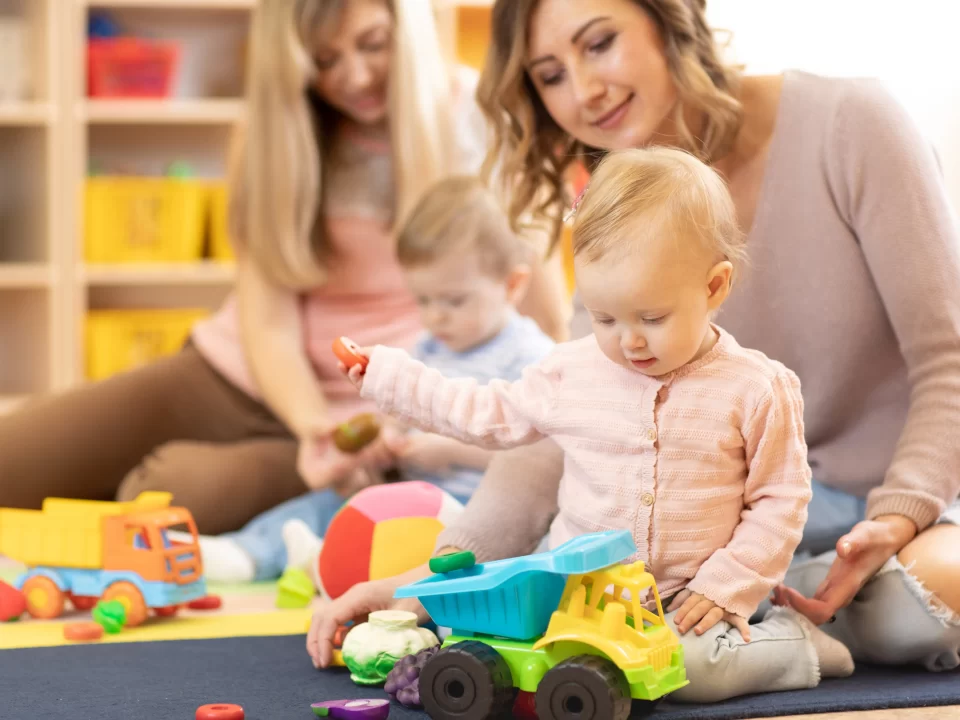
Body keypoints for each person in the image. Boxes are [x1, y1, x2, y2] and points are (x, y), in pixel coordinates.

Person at [307, 0, 960, 694]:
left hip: (881, 515)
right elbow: (548, 441)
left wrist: (896, 518)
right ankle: (738, 635)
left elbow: (948, 361)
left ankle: (757, 632)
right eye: (550, 75)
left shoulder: (849, 122)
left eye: (600, 43)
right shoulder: (616, 216)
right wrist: (434, 588)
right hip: (698, 548)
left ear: (670, 17)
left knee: (931, 589)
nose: (584, 92)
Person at [0, 0, 569, 535]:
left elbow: (538, 294)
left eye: (373, 45)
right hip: (244, 379)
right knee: (15, 458)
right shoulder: (270, 133)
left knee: (161, 497)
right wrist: (310, 423)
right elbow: (267, 321)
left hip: (376, 420)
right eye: (324, 60)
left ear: (408, 30)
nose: (354, 76)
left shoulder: (478, 115)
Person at [336, 147, 859, 701]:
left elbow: (781, 499)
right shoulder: (572, 372)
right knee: (481, 640)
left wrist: (727, 585)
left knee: (691, 672)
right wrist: (387, 376)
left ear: (714, 287)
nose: (628, 340)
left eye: (651, 318)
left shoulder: (757, 387)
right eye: (603, 316)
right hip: (577, 597)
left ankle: (795, 644)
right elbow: (484, 412)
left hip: (690, 600)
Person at [185, 175, 556, 584]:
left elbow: (540, 453)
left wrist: (451, 451)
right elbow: (402, 411)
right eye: (423, 300)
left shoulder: (530, 356)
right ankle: (250, 552)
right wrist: (387, 439)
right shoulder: (430, 346)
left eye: (453, 301)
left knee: (461, 555)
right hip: (413, 494)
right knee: (334, 503)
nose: (435, 316)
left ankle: (325, 566)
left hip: (486, 510)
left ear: (513, 285)